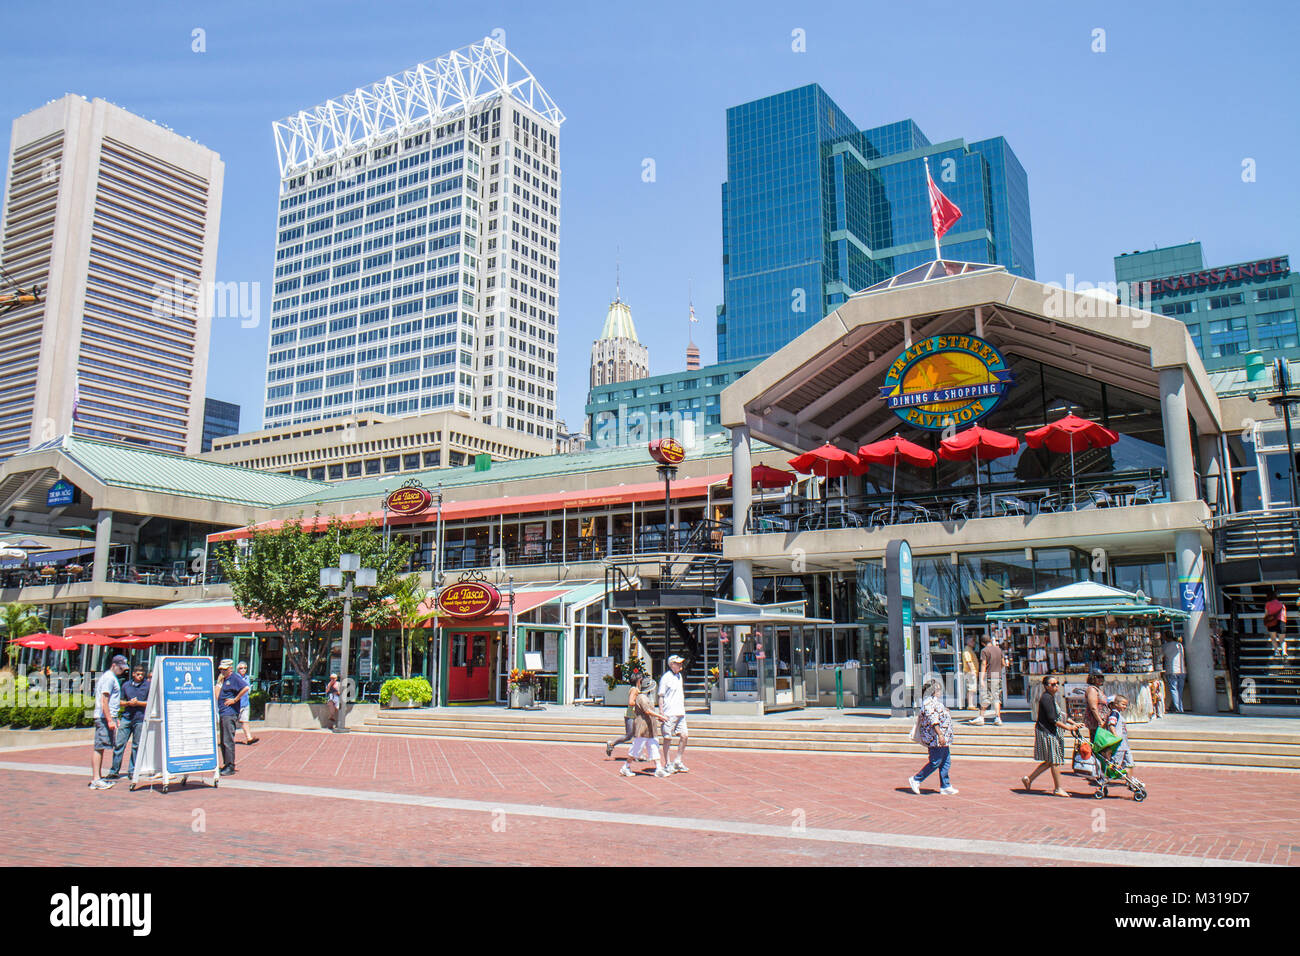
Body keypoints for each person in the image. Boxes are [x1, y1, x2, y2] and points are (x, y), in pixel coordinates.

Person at [1022, 675, 1083, 797]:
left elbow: (1060, 714)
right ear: (1046, 686)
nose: (1055, 686)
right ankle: (1058, 788)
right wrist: (1069, 728)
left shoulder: (1051, 698)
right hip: (1047, 732)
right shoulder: (1046, 698)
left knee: (1050, 761)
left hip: (1050, 731)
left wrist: (1073, 723)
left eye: (1057, 684)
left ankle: (1029, 779)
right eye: (1052, 684)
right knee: (1054, 761)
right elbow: (1053, 719)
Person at [908, 678, 958, 795]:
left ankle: (945, 785)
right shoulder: (929, 703)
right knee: (935, 761)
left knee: (946, 761)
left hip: (942, 737)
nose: (940, 692)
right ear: (933, 691)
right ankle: (916, 779)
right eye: (938, 690)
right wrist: (940, 734)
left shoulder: (935, 702)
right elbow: (933, 720)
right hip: (934, 738)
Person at [89, 654, 129, 790]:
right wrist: (109, 719)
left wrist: (113, 718)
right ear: (114, 665)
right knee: (99, 747)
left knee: (101, 747)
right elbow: (104, 700)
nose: (122, 670)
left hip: (106, 717)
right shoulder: (109, 678)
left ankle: (97, 777)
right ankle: (96, 778)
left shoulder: (110, 678)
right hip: (103, 717)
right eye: (120, 667)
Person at [621, 673, 671, 778]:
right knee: (636, 748)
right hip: (642, 727)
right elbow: (647, 711)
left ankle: (659, 768)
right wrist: (661, 716)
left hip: (650, 727)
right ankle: (626, 766)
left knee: (654, 747)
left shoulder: (646, 697)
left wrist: (657, 716)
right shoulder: (641, 697)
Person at [106, 662, 150, 780]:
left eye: (142, 675)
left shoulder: (147, 686)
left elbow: (151, 703)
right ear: (133, 674)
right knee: (119, 744)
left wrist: (138, 703)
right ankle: (114, 770)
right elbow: (119, 701)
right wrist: (128, 703)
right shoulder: (126, 685)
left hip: (140, 719)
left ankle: (132, 770)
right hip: (127, 717)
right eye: (138, 674)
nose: (140, 676)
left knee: (136, 746)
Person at [216, 659, 249, 774]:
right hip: (223, 712)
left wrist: (235, 699)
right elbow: (217, 695)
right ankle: (226, 763)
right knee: (223, 739)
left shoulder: (234, 678)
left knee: (228, 739)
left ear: (230, 669)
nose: (222, 671)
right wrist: (219, 683)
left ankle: (230, 765)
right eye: (221, 669)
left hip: (229, 713)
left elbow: (245, 688)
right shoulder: (224, 679)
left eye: (224, 669)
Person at [658, 654, 690, 773]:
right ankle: (667, 763)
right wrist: (661, 712)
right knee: (667, 738)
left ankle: (678, 760)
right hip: (669, 713)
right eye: (678, 663)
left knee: (684, 735)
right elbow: (661, 695)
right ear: (672, 664)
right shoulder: (666, 677)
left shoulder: (679, 676)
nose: (680, 665)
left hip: (680, 712)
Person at [604, 669, 642, 758]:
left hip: (634, 715)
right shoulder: (634, 690)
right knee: (629, 735)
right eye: (641, 679)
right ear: (638, 680)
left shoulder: (636, 689)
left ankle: (637, 754)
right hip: (631, 716)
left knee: (638, 736)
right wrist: (640, 704)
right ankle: (612, 743)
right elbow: (631, 702)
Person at [970, 634, 1003, 725]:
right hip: (998, 676)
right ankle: (998, 718)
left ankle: (981, 717)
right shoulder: (998, 649)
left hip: (989, 676)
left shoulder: (984, 651)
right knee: (996, 698)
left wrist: (981, 678)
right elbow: (1003, 663)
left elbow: (984, 664)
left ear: (982, 643)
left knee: (985, 697)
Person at [1103, 695, 1133, 775]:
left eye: (1126, 705)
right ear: (1116, 704)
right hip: (1119, 746)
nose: (1125, 707)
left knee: (1129, 763)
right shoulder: (1114, 714)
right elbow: (1111, 724)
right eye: (1123, 704)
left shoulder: (1118, 714)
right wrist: (1115, 736)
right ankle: (1104, 780)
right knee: (1115, 765)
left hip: (1124, 745)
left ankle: (1130, 782)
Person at [1163, 633, 1187, 713]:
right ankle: (1179, 707)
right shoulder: (1179, 645)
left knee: (1174, 689)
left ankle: (1178, 708)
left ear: (1166, 637)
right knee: (1179, 690)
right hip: (1182, 670)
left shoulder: (1166, 646)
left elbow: (1161, 655)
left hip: (1172, 670)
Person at [235, 661, 258, 744]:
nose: (243, 670)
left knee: (245, 721)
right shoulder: (235, 678)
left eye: (245, 668)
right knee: (232, 722)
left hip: (245, 703)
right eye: (241, 668)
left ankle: (249, 738)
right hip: (236, 704)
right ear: (237, 669)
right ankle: (228, 739)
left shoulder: (247, 678)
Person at [1264, 590, 1288, 658]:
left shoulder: (1268, 604)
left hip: (1271, 622)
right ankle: (1284, 652)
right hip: (1281, 622)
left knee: (1273, 638)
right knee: (1282, 640)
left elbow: (1266, 614)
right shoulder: (1282, 604)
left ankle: (1276, 652)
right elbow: (1284, 615)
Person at [960, 638, 979, 711]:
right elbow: (969, 661)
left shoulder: (969, 650)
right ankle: (970, 704)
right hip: (970, 672)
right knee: (971, 688)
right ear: (968, 642)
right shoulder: (967, 651)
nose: (973, 643)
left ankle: (972, 704)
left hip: (971, 671)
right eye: (972, 641)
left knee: (972, 688)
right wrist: (972, 671)